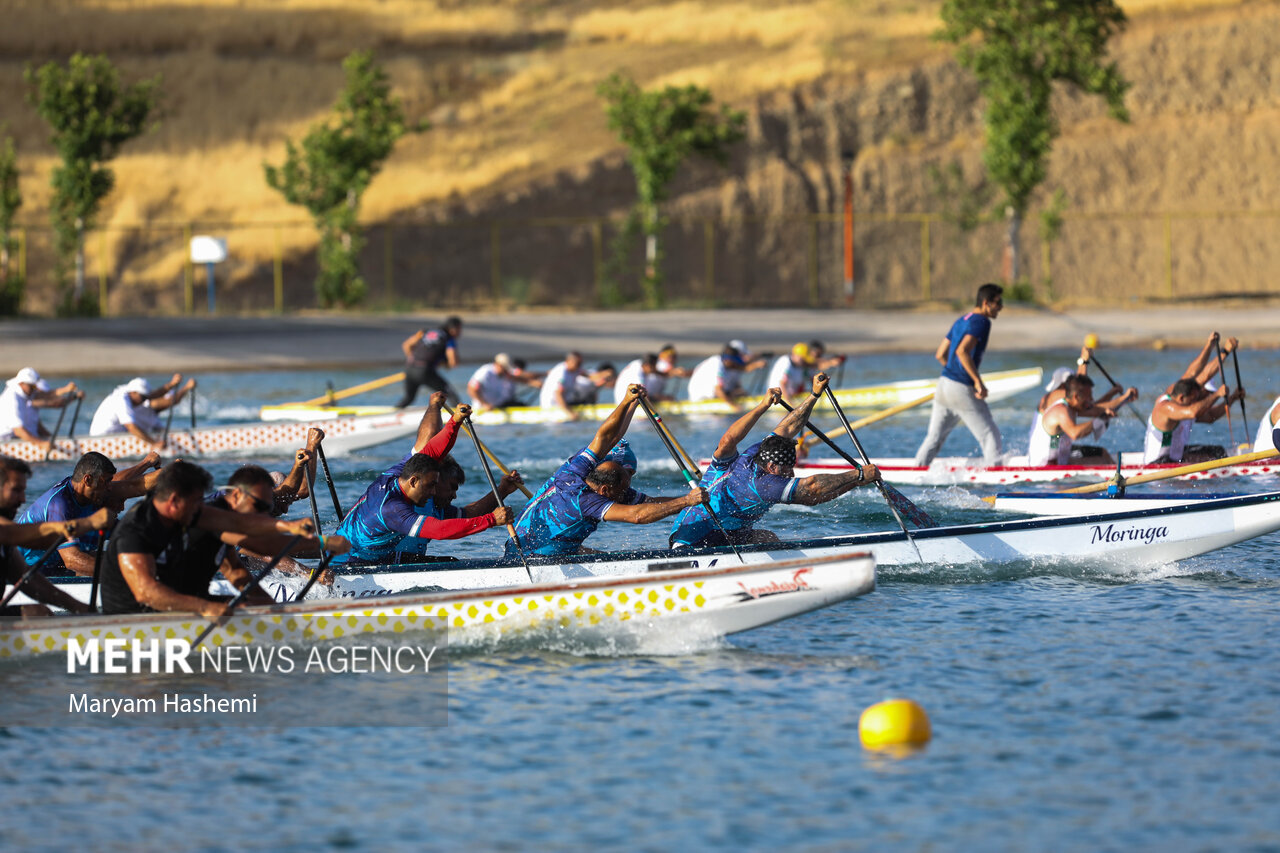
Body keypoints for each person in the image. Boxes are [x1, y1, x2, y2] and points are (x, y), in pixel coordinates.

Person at [669, 374, 879, 548]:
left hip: (720, 531)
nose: (791, 475)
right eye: (787, 470)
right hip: (691, 542)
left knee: (765, 538)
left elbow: (788, 427)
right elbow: (812, 489)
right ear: (771, 467)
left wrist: (814, 394)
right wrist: (858, 475)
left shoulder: (757, 452)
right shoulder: (764, 485)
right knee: (764, 538)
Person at [97, 460, 322, 619]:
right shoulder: (138, 527)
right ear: (175, 500)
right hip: (132, 614)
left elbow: (234, 571)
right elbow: (146, 592)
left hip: (178, 601)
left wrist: (271, 608)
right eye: (196, 502)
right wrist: (206, 606)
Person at [511, 385, 705, 556]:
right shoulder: (585, 501)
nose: (627, 493)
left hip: (548, 544)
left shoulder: (575, 469)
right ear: (604, 490)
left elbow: (607, 437)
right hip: (531, 555)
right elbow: (637, 515)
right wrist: (687, 501)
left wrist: (629, 403)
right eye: (628, 477)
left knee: (606, 556)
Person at [332, 395, 511, 565]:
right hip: (350, 564)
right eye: (430, 486)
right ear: (414, 481)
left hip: (378, 557)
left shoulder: (400, 473)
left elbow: (432, 450)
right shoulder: (392, 509)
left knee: (448, 564)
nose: (432, 492)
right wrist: (491, 520)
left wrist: (455, 421)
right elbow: (440, 530)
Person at [15, 451, 162, 577]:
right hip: (24, 572)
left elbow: (134, 486)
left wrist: (175, 472)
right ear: (88, 479)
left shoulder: (92, 494)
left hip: (57, 566)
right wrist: (131, 573)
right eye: (107, 482)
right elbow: (73, 560)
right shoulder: (59, 504)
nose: (110, 488)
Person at [913, 283, 1005, 467]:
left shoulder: (962, 319)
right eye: (998, 302)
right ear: (986, 302)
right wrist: (977, 382)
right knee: (989, 435)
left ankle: (917, 470)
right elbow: (962, 352)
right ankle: (995, 478)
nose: (1001, 307)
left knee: (933, 439)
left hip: (944, 384)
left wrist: (955, 373)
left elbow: (940, 354)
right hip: (961, 388)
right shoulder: (982, 322)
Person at [0, 457, 98, 617]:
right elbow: (11, 532)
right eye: (16, 490)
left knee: (39, 613)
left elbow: (31, 582)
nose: (23, 499)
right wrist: (87, 523)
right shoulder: (8, 533)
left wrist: (80, 607)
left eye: (23, 491)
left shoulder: (8, 541)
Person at [1028, 347, 1137, 461]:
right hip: (1047, 462)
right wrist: (1083, 361)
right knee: (1101, 458)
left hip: (1059, 454)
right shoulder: (1056, 402)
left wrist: (1118, 397)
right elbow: (1079, 427)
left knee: (1102, 454)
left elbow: (1093, 407)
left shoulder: (1071, 404)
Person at [1144, 379, 1242, 464]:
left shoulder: (1186, 408)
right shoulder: (1167, 407)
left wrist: (1232, 398)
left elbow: (1211, 416)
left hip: (1175, 456)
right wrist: (1217, 395)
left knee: (1218, 452)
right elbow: (1194, 412)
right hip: (1158, 462)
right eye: (1193, 400)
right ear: (1182, 398)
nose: (1195, 402)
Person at [89, 374, 197, 445]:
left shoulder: (131, 394)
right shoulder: (121, 400)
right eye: (143, 397)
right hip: (101, 440)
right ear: (134, 392)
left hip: (114, 436)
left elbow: (153, 395)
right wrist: (154, 443)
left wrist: (171, 384)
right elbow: (131, 427)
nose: (145, 400)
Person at [0, 367, 80, 449]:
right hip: (4, 442)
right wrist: (42, 444)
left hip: (13, 440)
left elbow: (46, 395)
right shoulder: (12, 399)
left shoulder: (23, 395)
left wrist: (65, 390)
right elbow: (19, 431)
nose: (35, 390)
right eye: (32, 387)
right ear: (21, 383)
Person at [398, 316, 462, 408]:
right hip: (425, 371)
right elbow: (453, 361)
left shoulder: (426, 332)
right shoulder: (449, 338)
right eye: (459, 329)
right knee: (450, 394)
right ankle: (462, 418)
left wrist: (415, 361)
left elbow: (406, 345)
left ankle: (394, 413)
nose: (460, 332)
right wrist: (446, 364)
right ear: (453, 329)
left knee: (409, 398)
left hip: (409, 368)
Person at [687, 340, 769, 406]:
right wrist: (735, 407)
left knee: (741, 392)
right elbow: (719, 391)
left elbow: (745, 368)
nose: (737, 364)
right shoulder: (716, 365)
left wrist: (757, 364)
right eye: (736, 361)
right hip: (700, 400)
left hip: (716, 396)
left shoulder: (728, 364)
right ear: (729, 360)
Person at [614, 345, 691, 403]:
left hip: (629, 398)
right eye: (654, 367)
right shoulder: (637, 375)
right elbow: (643, 396)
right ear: (647, 365)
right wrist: (662, 398)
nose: (655, 370)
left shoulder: (640, 364)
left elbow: (660, 373)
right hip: (623, 402)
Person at [467, 353, 541, 412]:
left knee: (520, 405)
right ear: (498, 365)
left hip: (501, 406)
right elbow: (471, 389)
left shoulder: (505, 373)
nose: (507, 371)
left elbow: (520, 379)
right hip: (485, 409)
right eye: (505, 368)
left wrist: (535, 384)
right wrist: (484, 404)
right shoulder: (485, 372)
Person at [539, 351, 588, 419]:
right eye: (578, 364)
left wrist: (604, 374)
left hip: (564, 403)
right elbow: (558, 394)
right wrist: (570, 414)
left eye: (580, 364)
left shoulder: (575, 369)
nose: (579, 366)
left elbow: (590, 376)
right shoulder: (561, 373)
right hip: (552, 406)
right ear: (569, 361)